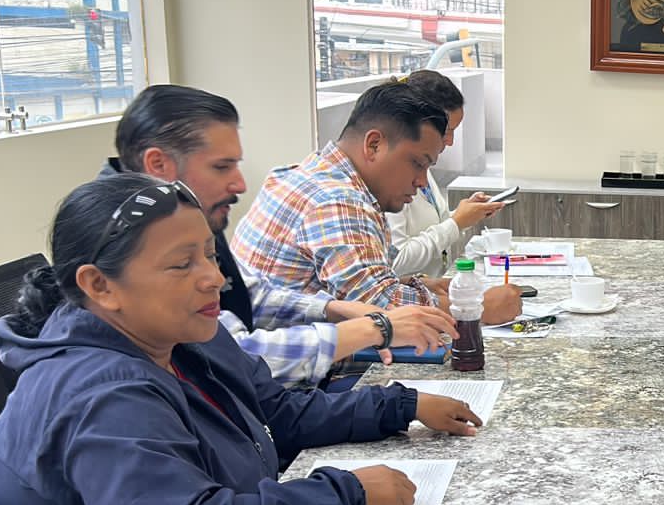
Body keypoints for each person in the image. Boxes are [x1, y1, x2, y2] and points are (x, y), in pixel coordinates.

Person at [0, 174, 485, 505]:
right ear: (99, 286)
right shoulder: (99, 394)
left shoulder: (180, 333)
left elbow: (275, 413)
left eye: (210, 256)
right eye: (182, 264)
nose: (213, 278)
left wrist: (398, 405)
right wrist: (347, 493)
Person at [103, 84, 456, 387]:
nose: (240, 184)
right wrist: (374, 328)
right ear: (158, 165)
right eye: (222, 167)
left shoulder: (176, 215)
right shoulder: (121, 246)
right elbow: (233, 356)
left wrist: (330, 308)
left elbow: (245, 294)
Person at [231, 81, 522, 325]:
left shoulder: (313, 174)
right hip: (297, 372)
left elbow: (370, 283)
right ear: (374, 145)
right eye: (417, 163)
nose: (421, 181)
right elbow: (381, 309)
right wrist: (474, 307)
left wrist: (417, 285)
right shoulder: (337, 200)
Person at [387, 70, 505, 278]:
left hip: (433, 288)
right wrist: (456, 222)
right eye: (447, 130)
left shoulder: (422, 166)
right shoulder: (390, 178)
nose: (450, 141)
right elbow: (396, 261)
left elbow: (432, 226)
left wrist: (465, 214)